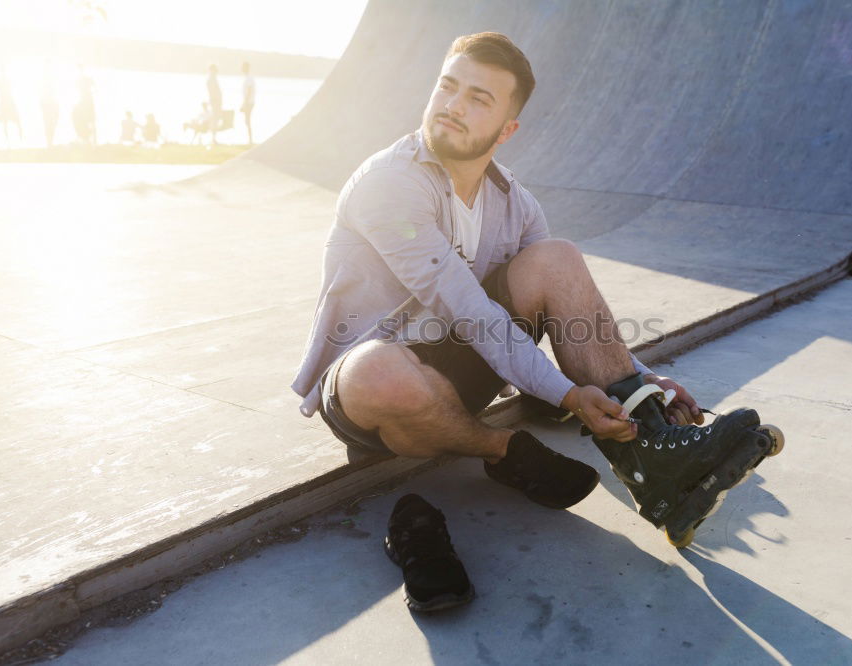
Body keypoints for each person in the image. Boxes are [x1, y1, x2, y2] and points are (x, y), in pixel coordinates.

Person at [291, 33, 772, 611]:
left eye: (478, 99)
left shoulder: (515, 202)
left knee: (556, 258)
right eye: (448, 87)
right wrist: (567, 395)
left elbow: (570, 301)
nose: (453, 105)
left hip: (464, 372)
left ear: (506, 128)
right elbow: (470, 311)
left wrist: (644, 376)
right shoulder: (389, 183)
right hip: (376, 388)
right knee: (380, 374)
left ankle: (654, 460)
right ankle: (502, 449)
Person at [0, 66, 22, 146]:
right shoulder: (5, 81)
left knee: (7, 122)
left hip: (7, 102)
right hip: (7, 102)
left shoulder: (3, 81)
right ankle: (11, 140)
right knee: (8, 122)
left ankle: (13, 139)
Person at [72, 66, 96, 145]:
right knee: (87, 120)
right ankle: (88, 140)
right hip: (84, 101)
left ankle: (91, 141)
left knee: (89, 120)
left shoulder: (83, 79)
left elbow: (93, 86)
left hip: (86, 101)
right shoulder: (83, 79)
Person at [40, 59, 59, 148]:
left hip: (50, 102)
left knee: (51, 122)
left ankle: (50, 142)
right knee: (48, 122)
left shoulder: (51, 77)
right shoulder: (44, 78)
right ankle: (49, 143)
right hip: (47, 102)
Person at [206, 63, 222, 145]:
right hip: (215, 102)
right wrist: (216, 101)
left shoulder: (212, 79)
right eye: (215, 70)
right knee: (214, 120)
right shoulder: (211, 80)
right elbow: (213, 92)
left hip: (216, 102)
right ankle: (213, 139)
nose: (216, 72)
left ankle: (214, 139)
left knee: (215, 120)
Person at [240, 61, 256, 145]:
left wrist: (245, 103)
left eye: (243, 67)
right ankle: (249, 139)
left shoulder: (249, 78)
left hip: (249, 103)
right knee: (247, 121)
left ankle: (250, 140)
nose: (241, 69)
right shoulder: (247, 78)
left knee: (247, 120)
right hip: (248, 102)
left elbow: (249, 91)